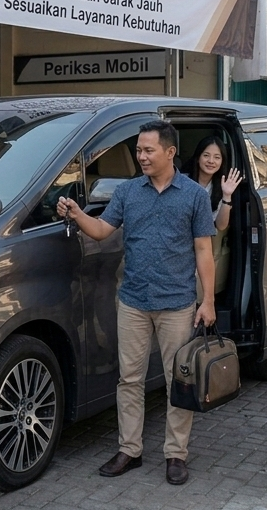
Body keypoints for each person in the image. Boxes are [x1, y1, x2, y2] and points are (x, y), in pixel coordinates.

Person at [57, 120, 217, 486]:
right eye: (138, 150)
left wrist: (206, 301)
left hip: (177, 303)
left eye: (148, 150)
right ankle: (130, 449)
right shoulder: (129, 192)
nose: (140, 156)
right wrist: (77, 213)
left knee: (180, 381)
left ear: (170, 152)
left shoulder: (193, 195)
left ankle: (176, 455)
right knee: (129, 380)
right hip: (132, 301)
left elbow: (204, 251)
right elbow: (101, 231)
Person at [185, 136, 245, 295]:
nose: (211, 161)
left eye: (217, 157)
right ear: (198, 158)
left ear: (222, 162)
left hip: (204, 247)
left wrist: (227, 196)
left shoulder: (220, 187)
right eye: (206, 155)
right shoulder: (183, 182)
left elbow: (221, 225)